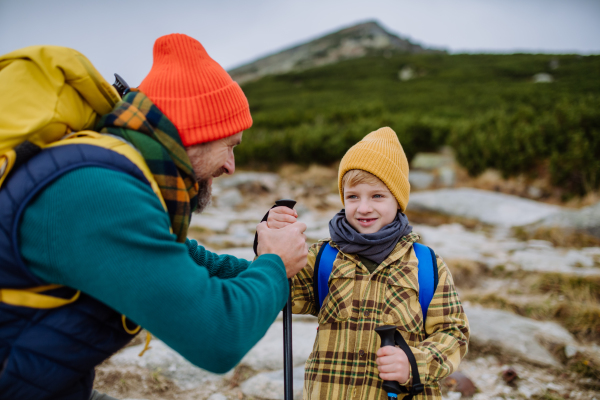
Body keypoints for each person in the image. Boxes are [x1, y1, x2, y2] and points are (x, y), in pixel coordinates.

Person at [0, 34, 308, 400]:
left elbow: (179, 257)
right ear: (197, 133)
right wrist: (273, 264)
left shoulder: (112, 172)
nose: (231, 165)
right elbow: (218, 337)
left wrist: (269, 270)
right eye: (230, 145)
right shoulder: (97, 191)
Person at [267, 127, 470, 399]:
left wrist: (414, 364)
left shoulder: (426, 265)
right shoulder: (323, 257)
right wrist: (271, 246)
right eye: (353, 196)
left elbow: (453, 332)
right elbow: (279, 294)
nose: (363, 208)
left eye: (377, 196)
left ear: (398, 200)